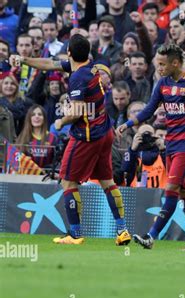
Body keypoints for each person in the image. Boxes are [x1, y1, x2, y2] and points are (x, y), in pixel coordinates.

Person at [10, 34, 132, 246]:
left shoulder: (77, 78)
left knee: (68, 180)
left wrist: (60, 122)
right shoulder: (89, 66)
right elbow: (50, 64)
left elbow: (76, 111)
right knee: (107, 181)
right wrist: (23, 60)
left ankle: (75, 234)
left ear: (69, 53)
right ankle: (122, 230)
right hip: (104, 132)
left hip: (87, 136)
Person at [117, 44, 185, 251]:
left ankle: (151, 236)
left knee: (171, 188)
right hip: (170, 145)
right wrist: (128, 124)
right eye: (158, 63)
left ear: (175, 63)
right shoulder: (163, 83)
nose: (159, 68)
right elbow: (149, 109)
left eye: (163, 64)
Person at [122, 123, 167, 189]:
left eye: (150, 134)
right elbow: (125, 169)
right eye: (143, 135)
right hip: (138, 196)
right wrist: (132, 149)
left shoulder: (163, 152)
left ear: (155, 136)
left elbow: (173, 170)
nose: (146, 137)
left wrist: (163, 150)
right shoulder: (133, 154)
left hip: (161, 196)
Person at [16, 105, 57, 170]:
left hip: (46, 177)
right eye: (33, 115)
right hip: (26, 177)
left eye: (40, 114)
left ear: (44, 119)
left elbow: (57, 162)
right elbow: (16, 161)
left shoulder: (52, 138)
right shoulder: (22, 137)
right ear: (29, 118)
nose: (36, 117)